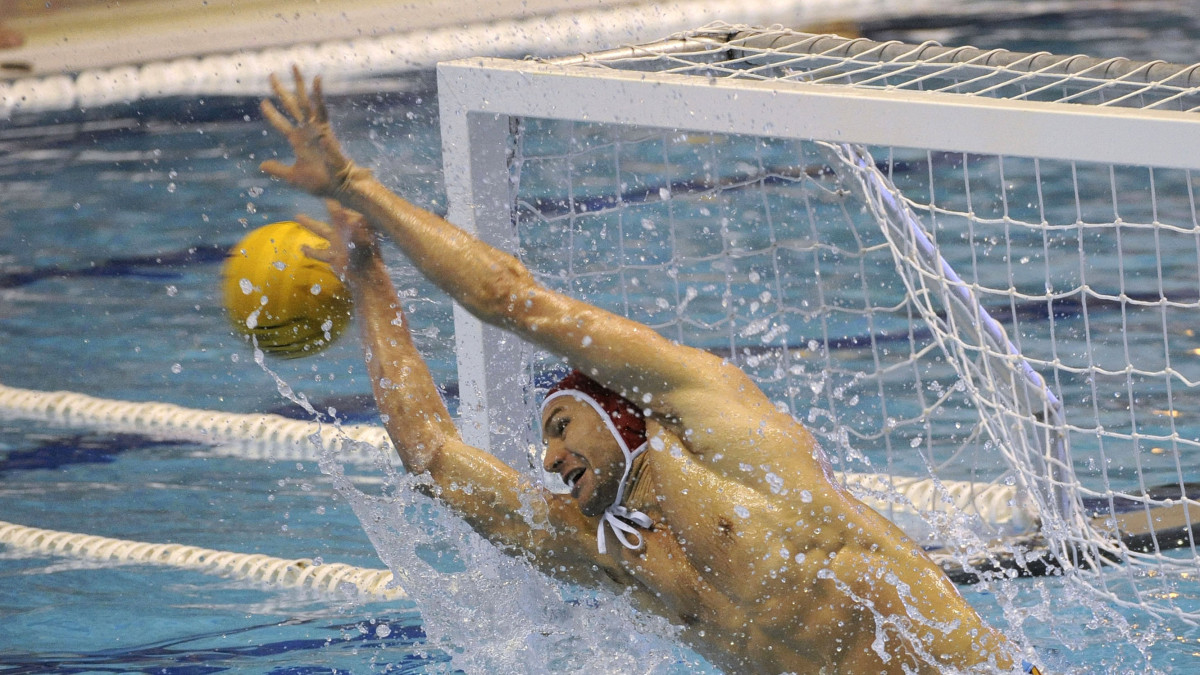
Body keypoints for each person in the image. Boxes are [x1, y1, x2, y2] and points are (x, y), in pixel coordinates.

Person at [260, 67, 1033, 673]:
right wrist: (367, 273)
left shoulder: (726, 431)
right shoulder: (606, 551)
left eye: (561, 424)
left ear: (619, 405)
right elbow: (431, 456)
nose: (550, 458)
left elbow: (510, 298)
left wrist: (357, 184)